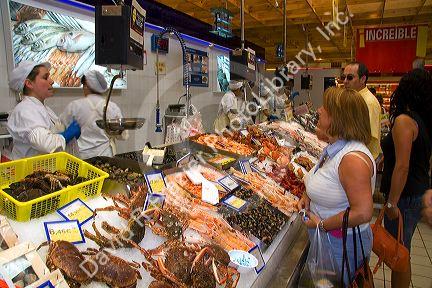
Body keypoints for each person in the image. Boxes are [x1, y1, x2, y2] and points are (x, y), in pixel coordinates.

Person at [298, 87, 375, 285]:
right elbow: (326, 178)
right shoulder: (336, 148)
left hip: (340, 245)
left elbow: (363, 213)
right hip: (330, 242)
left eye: (325, 108)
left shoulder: (352, 159)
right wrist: (308, 195)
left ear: (338, 119)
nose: (319, 110)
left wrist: (321, 225)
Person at [380, 69, 432, 288]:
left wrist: (392, 202)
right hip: (417, 191)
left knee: (399, 255)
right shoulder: (423, 120)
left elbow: (402, 167)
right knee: (404, 252)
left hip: (404, 196)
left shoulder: (403, 120)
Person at [7, 61, 81, 160]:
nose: (52, 81)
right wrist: (67, 134)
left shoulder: (44, 109)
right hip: (30, 172)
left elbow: (52, 134)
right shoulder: (25, 110)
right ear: (29, 84)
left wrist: (67, 132)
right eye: (45, 77)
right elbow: (45, 144)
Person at [60, 70, 128, 159]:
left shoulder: (75, 106)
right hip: (105, 156)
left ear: (86, 86)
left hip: (82, 157)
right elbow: (123, 135)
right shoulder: (111, 106)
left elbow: (60, 128)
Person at [342, 62, 382, 159]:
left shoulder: (368, 102)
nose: (345, 81)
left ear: (363, 79)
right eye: (344, 77)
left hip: (361, 158)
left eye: (350, 77)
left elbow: (367, 138)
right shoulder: (355, 98)